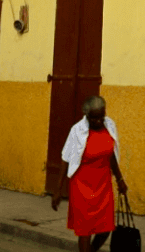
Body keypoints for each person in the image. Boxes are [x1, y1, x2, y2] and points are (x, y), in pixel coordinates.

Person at [52, 96, 128, 252]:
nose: (99, 121)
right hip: (82, 186)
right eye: (94, 118)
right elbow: (65, 158)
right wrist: (58, 189)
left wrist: (119, 178)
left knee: (106, 228)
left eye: (101, 116)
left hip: (103, 184)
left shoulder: (110, 126)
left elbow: (111, 154)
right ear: (86, 115)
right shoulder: (77, 130)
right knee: (85, 231)